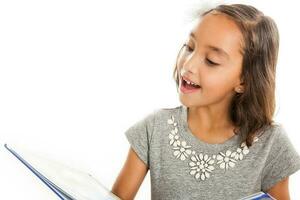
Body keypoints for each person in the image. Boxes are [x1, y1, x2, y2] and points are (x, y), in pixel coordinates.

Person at [111, 3, 300, 200]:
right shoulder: (155, 129)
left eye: (211, 60)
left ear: (244, 80)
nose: (188, 65)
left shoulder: (271, 144)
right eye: (189, 47)